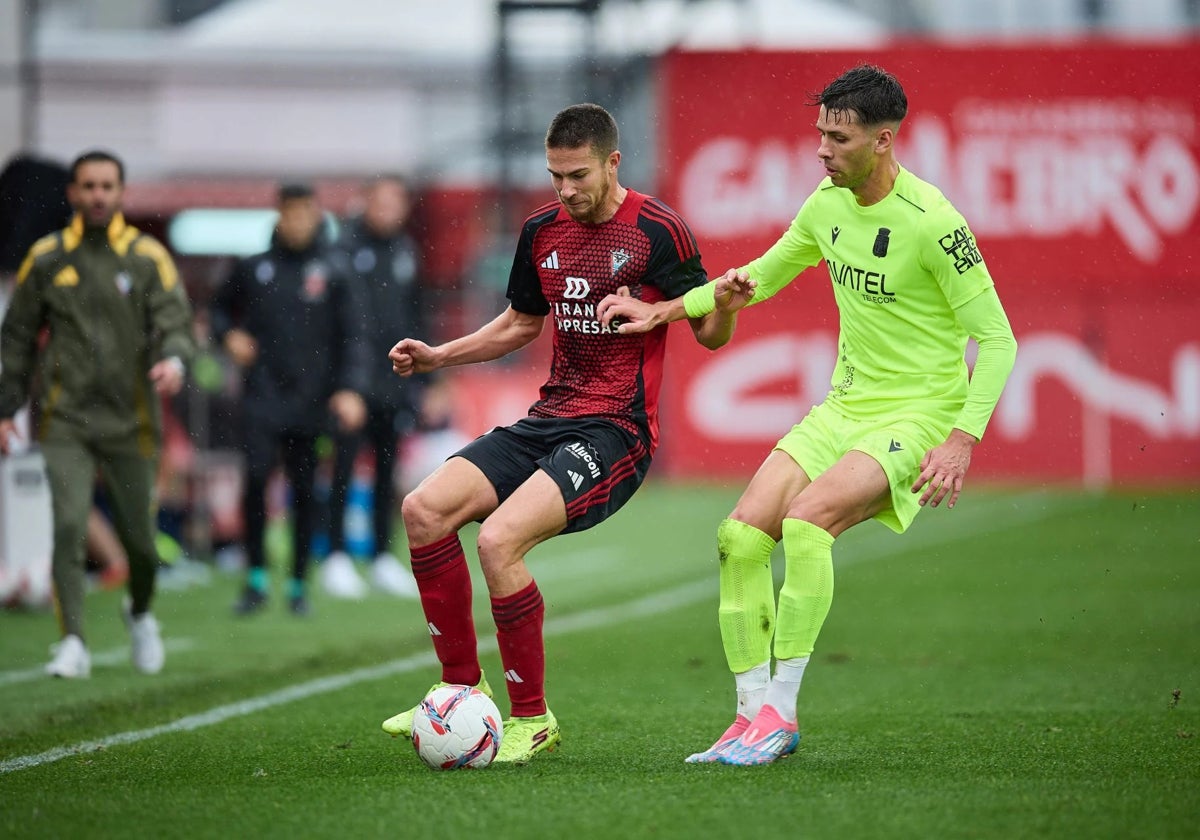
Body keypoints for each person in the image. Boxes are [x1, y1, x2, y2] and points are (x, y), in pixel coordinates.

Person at [598, 64, 1019, 766]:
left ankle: (782, 715)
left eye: (838, 138)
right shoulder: (826, 204)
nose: (822, 150)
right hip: (843, 405)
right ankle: (745, 719)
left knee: (805, 522)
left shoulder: (935, 224)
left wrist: (961, 439)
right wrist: (664, 310)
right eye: (819, 133)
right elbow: (757, 275)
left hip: (916, 415)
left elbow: (999, 340)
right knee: (738, 537)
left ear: (883, 142)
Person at [381, 103, 745, 764]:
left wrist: (721, 305)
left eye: (578, 175)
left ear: (613, 162)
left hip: (616, 432)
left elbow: (710, 333)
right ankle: (459, 689)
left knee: (498, 541)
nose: (566, 190)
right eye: (555, 176)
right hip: (549, 420)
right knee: (423, 510)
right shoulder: (541, 230)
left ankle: (532, 718)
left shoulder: (659, 231)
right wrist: (440, 355)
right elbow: (520, 324)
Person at [0, 149, 195, 678]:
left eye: (107, 186)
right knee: (67, 525)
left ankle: (140, 611)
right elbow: (16, 338)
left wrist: (175, 361)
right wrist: (5, 408)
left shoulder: (146, 257)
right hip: (64, 422)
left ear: (121, 192)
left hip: (132, 421)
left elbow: (176, 322)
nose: (97, 195)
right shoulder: (44, 259)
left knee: (140, 545)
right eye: (88, 186)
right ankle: (72, 643)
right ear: (73, 193)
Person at [210, 182, 369, 617]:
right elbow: (219, 310)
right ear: (279, 214)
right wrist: (229, 335)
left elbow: (353, 335)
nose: (297, 221)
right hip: (262, 395)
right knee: (257, 481)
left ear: (316, 215)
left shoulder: (334, 271)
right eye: (290, 212)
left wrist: (350, 389)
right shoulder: (253, 267)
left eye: (305, 212)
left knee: (304, 490)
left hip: (312, 400)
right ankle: (256, 578)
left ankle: (299, 583)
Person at [319, 175, 425, 601]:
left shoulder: (406, 251)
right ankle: (336, 556)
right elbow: (332, 322)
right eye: (381, 202)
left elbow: (417, 314)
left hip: (395, 378)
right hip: (351, 380)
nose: (389, 211)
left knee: (387, 470)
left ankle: (382, 555)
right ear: (364, 203)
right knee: (342, 466)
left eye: (396, 203)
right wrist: (340, 380)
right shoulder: (341, 250)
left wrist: (430, 375)